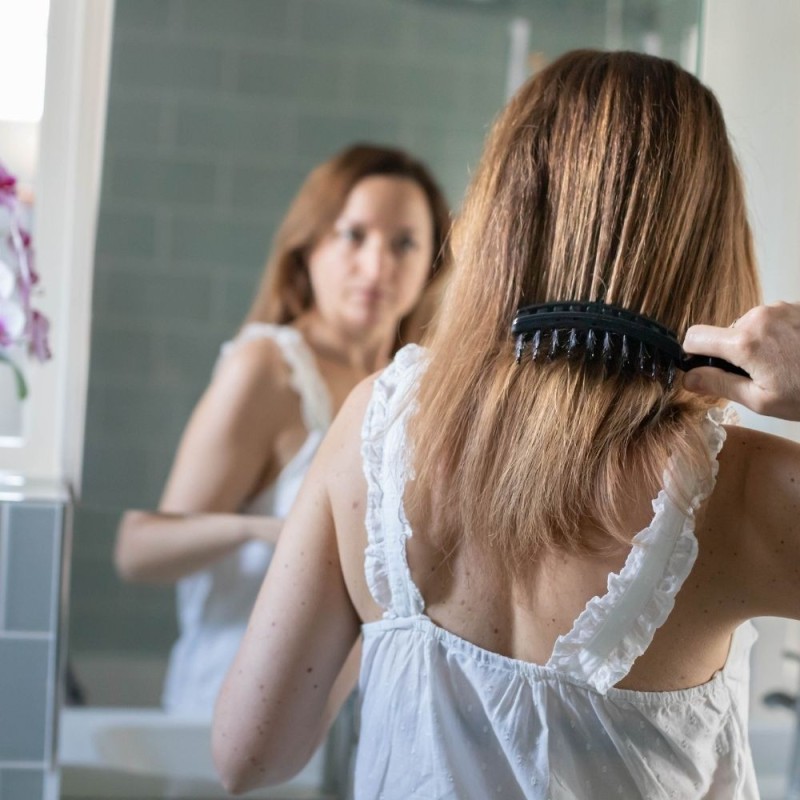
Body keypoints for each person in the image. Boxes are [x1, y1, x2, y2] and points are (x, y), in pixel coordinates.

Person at [212, 50, 800, 799]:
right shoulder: (749, 495)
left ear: (501, 215)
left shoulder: (375, 426)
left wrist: (389, 615)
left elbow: (247, 755)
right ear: (707, 233)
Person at [113, 143, 451, 715]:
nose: (377, 266)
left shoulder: (417, 386)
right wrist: (259, 530)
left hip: (356, 716)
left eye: (404, 243)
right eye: (354, 235)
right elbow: (137, 552)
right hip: (236, 708)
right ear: (309, 245)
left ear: (431, 265)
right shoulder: (267, 371)